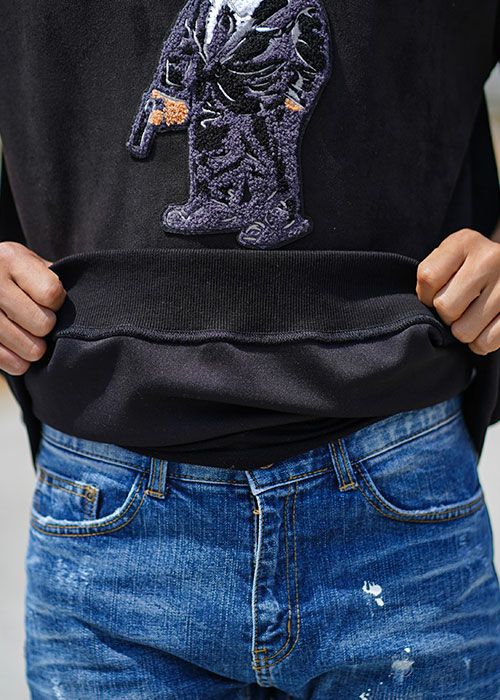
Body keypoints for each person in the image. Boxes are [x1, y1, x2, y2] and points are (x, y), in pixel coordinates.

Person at [1, 0, 500, 696]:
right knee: (213, 152)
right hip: (106, 493)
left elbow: (312, 58)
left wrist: (291, 104)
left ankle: (270, 209)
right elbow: (179, 56)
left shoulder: (292, 16)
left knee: (268, 162)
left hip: (396, 469)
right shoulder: (203, 21)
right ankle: (216, 201)